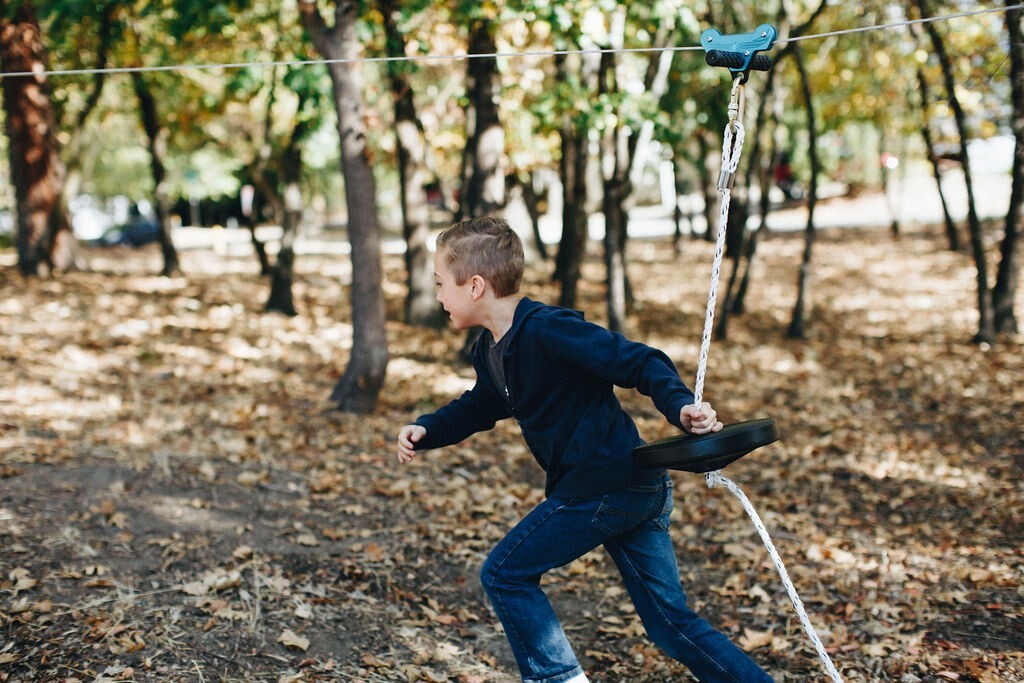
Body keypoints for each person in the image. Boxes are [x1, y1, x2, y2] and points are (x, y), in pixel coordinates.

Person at [396, 216, 774, 683]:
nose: (436, 296)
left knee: (504, 574)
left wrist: (680, 407)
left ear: (474, 286)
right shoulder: (489, 349)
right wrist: (427, 429)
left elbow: (639, 361)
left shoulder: (550, 330)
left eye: (439, 284)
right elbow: (481, 406)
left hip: (605, 486)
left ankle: (558, 677)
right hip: (628, 487)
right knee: (670, 624)